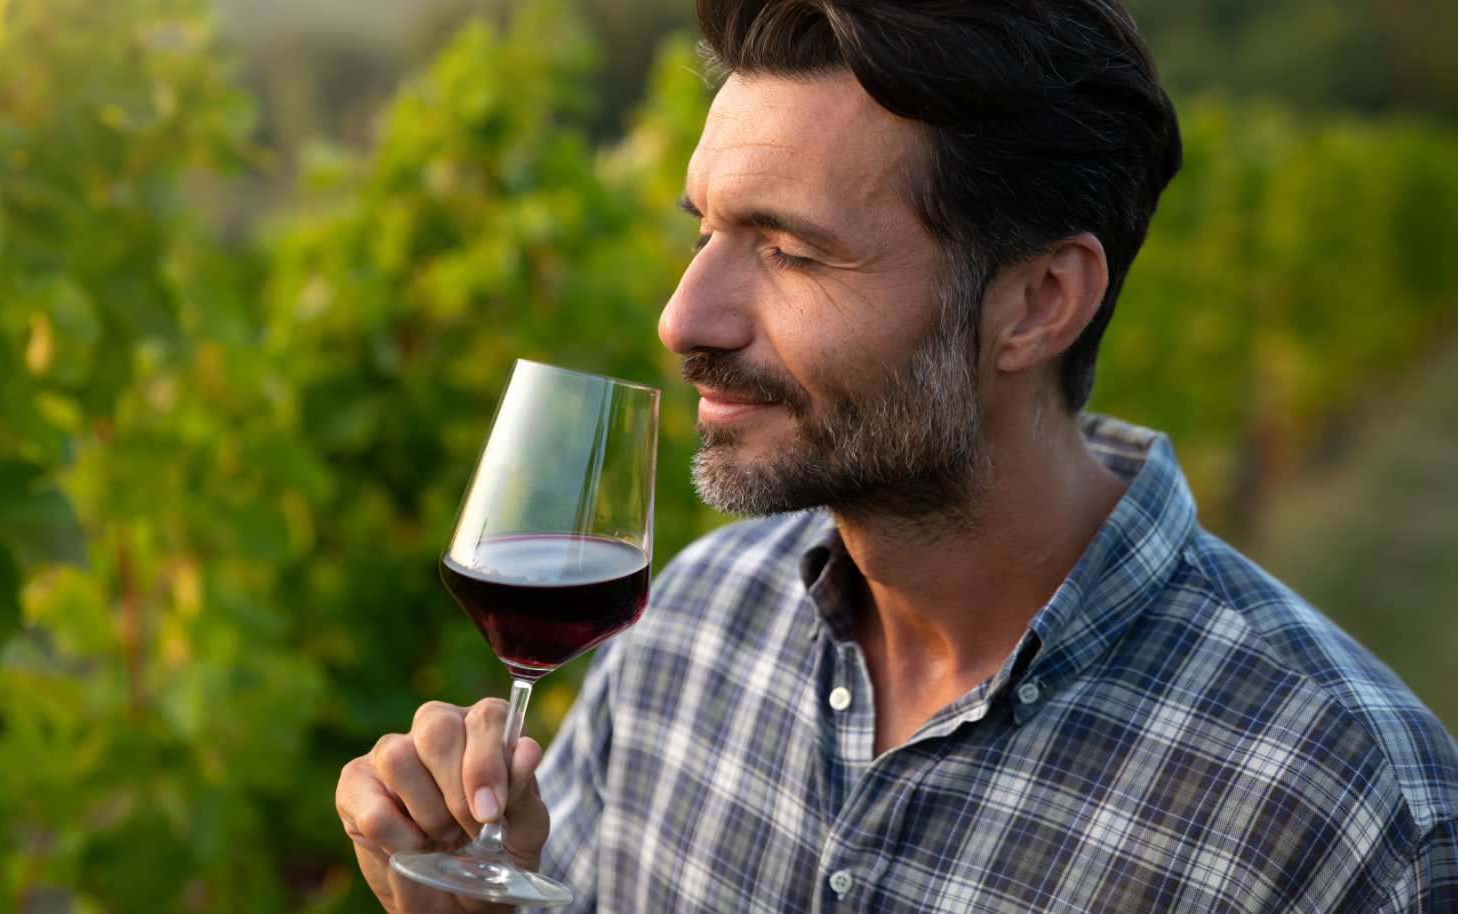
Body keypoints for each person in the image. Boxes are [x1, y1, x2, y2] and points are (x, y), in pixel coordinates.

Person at [336, 0, 1458, 909]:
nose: (683, 317)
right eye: (704, 230)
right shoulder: (684, 625)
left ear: (1038, 301)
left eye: (789, 250)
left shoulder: (1348, 815)